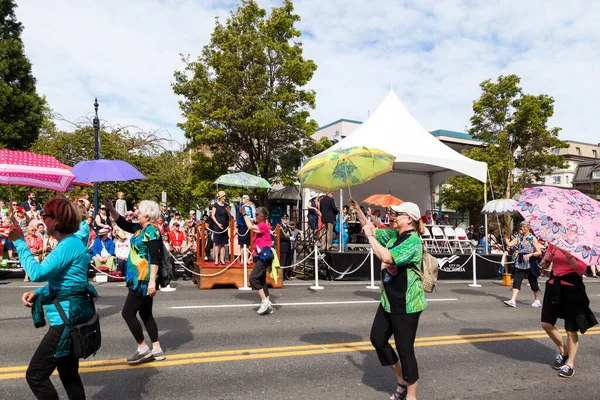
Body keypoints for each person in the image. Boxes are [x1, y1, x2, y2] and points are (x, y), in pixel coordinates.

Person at [9, 197, 96, 399]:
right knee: (68, 375)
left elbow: (37, 273)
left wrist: (19, 241)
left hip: (66, 320)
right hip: (69, 316)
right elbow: (65, 282)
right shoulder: (70, 243)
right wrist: (38, 293)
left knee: (36, 376)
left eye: (45, 215)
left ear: (56, 221)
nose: (42, 219)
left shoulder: (68, 245)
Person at [349, 198, 426, 400]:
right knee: (378, 339)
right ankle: (401, 381)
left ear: (409, 219)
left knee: (405, 350)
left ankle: (411, 395)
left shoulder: (413, 241)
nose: (393, 216)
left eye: (398, 214)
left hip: (407, 304)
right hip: (389, 301)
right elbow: (370, 229)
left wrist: (370, 238)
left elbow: (386, 257)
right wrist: (358, 212)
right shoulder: (394, 234)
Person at [104, 197, 166, 364]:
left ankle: (142, 347)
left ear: (147, 215)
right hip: (138, 277)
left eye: (139, 211)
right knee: (146, 314)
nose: (136, 213)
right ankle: (157, 348)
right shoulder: (141, 229)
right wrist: (111, 208)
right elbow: (123, 224)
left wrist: (152, 281)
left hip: (143, 279)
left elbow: (154, 257)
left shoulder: (151, 231)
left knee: (127, 313)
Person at [540, 244, 597, 378]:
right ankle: (563, 350)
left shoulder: (582, 246)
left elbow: (581, 270)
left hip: (572, 289)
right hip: (554, 286)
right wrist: (546, 261)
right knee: (546, 323)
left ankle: (570, 364)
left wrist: (568, 255)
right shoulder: (554, 244)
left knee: (570, 328)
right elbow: (543, 266)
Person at [242, 207, 274, 315]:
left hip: (264, 257)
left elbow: (250, 226)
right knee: (261, 280)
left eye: (257, 215)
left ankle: (264, 301)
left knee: (253, 278)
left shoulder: (263, 226)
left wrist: (244, 214)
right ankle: (268, 303)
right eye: (255, 214)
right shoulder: (260, 227)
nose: (255, 216)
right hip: (259, 255)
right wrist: (252, 255)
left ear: (263, 217)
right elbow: (259, 243)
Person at [503, 222, 543, 308]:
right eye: (522, 227)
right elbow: (510, 244)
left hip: (530, 262)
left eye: (525, 227)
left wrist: (530, 254)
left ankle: (537, 300)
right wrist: (505, 236)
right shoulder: (519, 238)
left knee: (533, 281)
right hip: (520, 261)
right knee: (517, 280)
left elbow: (539, 252)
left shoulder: (532, 238)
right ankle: (513, 300)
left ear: (528, 228)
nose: (523, 228)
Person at [211, 191, 231, 266]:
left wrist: (228, 211)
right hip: (217, 225)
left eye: (225, 196)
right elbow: (213, 216)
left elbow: (229, 216)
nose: (224, 198)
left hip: (224, 226)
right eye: (223, 196)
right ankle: (216, 258)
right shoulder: (215, 205)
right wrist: (218, 224)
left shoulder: (226, 205)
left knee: (223, 243)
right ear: (220, 197)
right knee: (217, 243)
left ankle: (222, 259)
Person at [237, 195, 253, 265]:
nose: (246, 200)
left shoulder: (249, 208)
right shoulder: (240, 205)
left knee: (247, 243)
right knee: (241, 243)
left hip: (248, 226)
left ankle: (247, 259)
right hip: (242, 226)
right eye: (244, 199)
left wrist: (252, 219)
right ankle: (242, 259)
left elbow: (251, 215)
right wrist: (244, 205)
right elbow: (240, 209)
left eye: (247, 199)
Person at [279, 214, 292, 280]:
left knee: (288, 261)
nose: (285, 220)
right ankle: (281, 275)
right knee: (283, 262)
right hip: (283, 246)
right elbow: (280, 236)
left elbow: (289, 234)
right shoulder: (280, 226)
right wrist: (289, 238)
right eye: (284, 219)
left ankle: (286, 275)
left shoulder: (287, 226)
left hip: (288, 246)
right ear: (281, 219)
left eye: (286, 219)